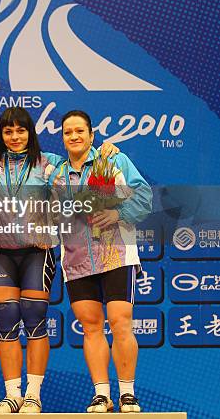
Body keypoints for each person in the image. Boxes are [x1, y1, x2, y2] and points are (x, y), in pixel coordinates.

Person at [0, 107, 119, 415]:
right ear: (1, 135)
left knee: (33, 318)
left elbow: (82, 159)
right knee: (6, 321)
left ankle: (33, 395)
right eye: (8, 132)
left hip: (38, 252)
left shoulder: (49, 164)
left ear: (30, 133)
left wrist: (107, 151)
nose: (15, 137)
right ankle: (11, 395)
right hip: (1, 252)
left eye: (21, 131)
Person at [51, 110, 152, 414]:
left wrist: (118, 214)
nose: (74, 137)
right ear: (63, 138)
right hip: (77, 258)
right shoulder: (56, 173)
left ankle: (127, 394)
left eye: (80, 131)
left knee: (121, 322)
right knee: (92, 327)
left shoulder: (113, 161)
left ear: (92, 135)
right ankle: (101, 395)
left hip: (116, 253)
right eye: (68, 132)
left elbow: (144, 195)